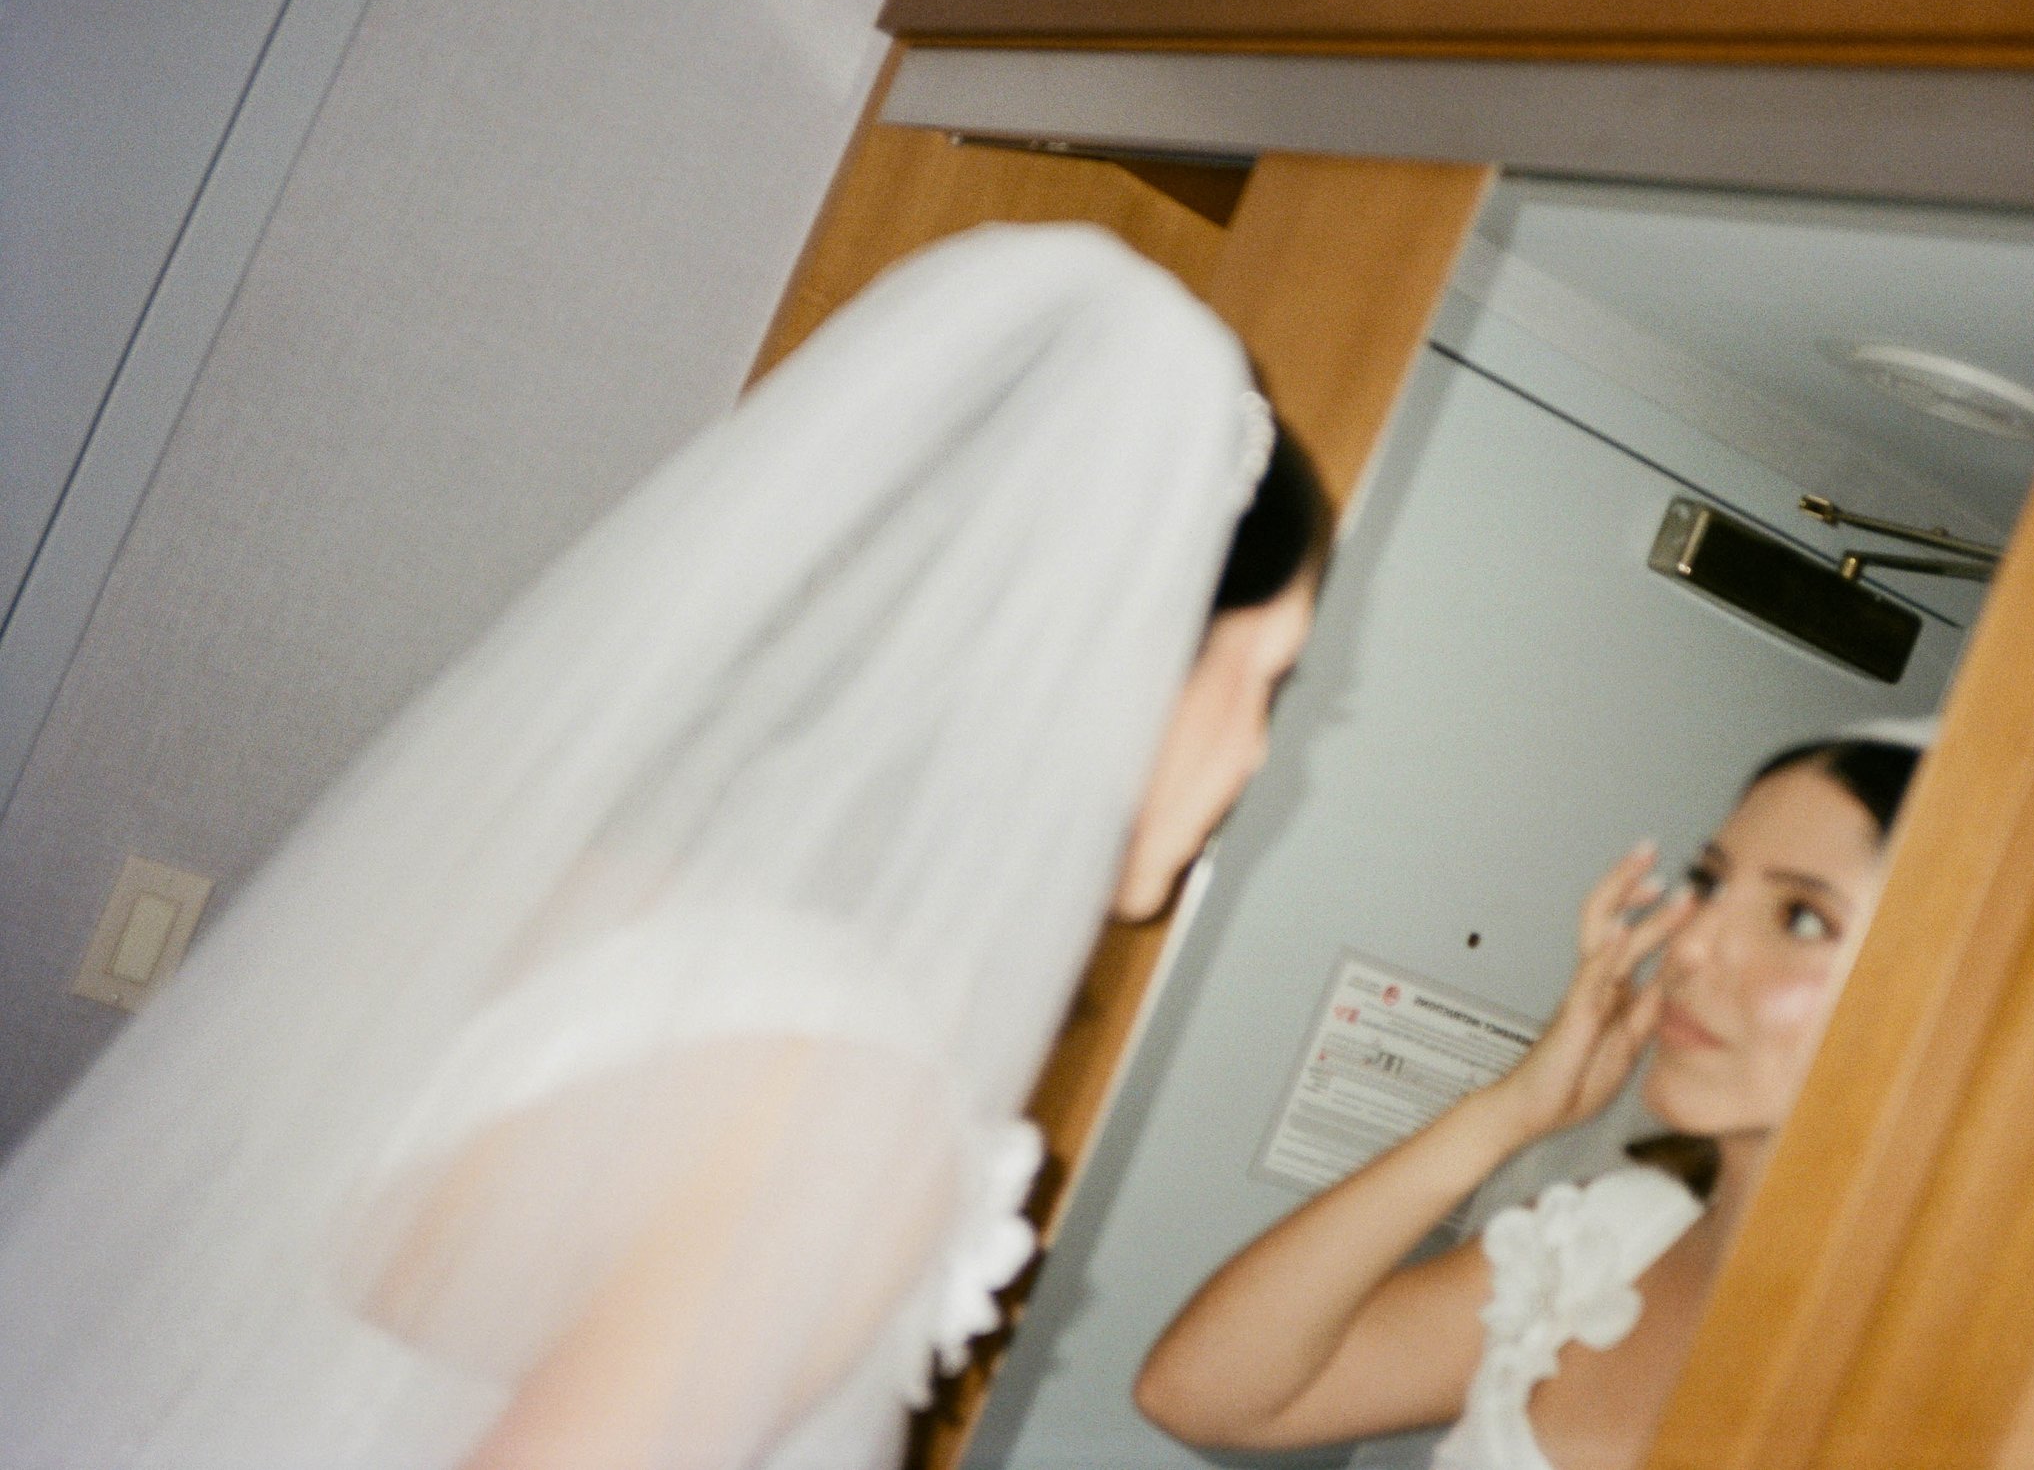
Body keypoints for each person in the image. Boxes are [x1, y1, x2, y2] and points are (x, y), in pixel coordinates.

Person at [0, 223, 1329, 1470]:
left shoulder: (581, 891)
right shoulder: (839, 1115)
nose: (1260, 752)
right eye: (1261, 675)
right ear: (1116, 666)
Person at [1134, 732, 1927, 1470]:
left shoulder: (1964, 1359)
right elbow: (1202, 1395)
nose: (1689, 946)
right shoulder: (1609, 1240)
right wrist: (1504, 1115)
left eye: (1799, 916)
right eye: (1711, 884)